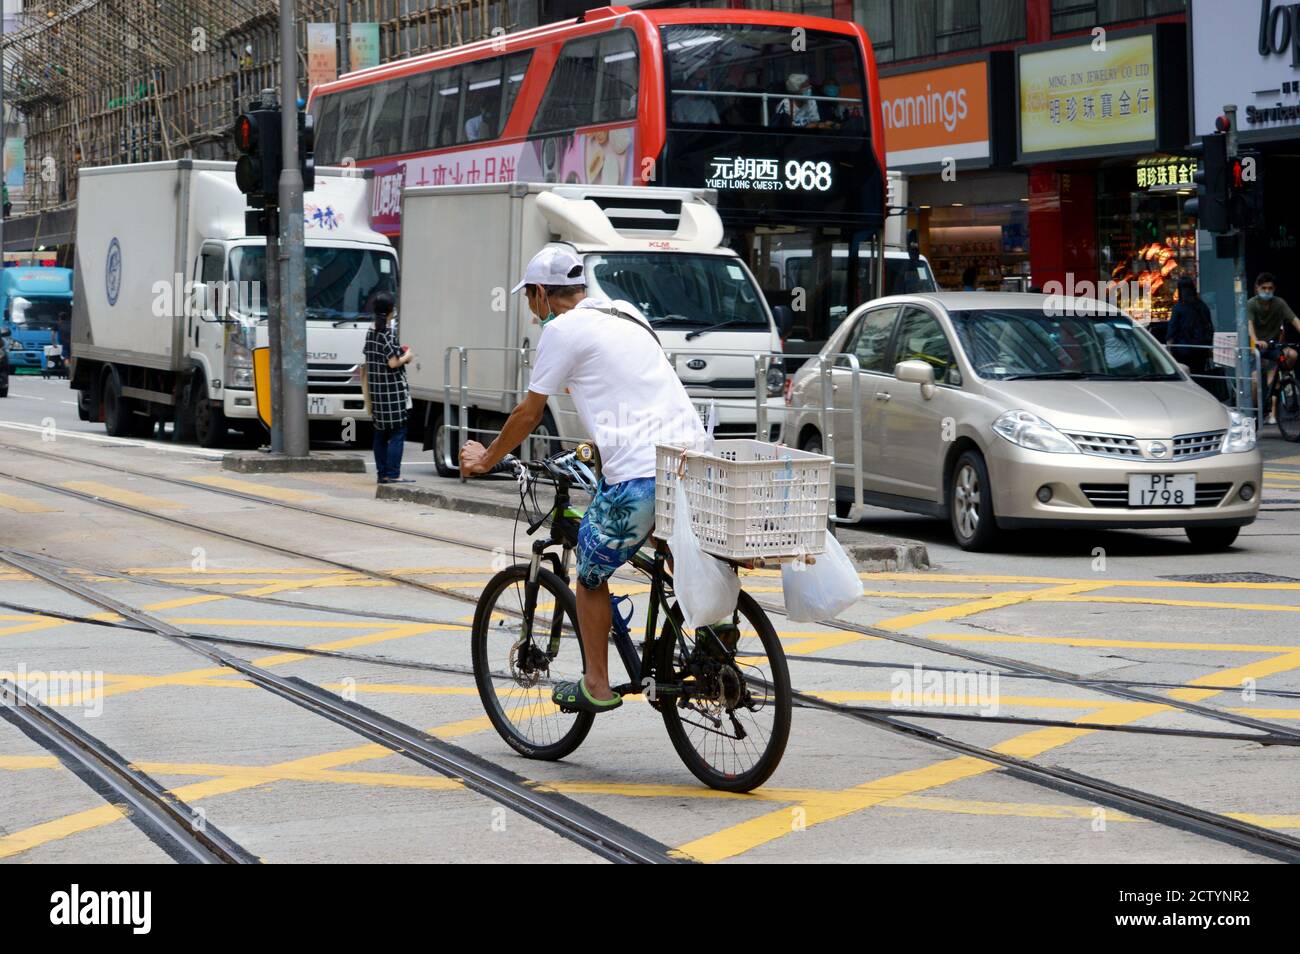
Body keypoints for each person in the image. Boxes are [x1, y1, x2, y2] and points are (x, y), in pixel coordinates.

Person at [458, 246, 706, 714]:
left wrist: (485, 459)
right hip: (692, 460)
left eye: (531, 299)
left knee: (590, 575)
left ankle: (597, 683)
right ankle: (714, 640)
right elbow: (630, 385)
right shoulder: (626, 312)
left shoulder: (561, 331)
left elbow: (528, 413)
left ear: (539, 295)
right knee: (673, 551)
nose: (533, 311)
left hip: (638, 474)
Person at [361, 292, 413, 484]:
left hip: (377, 392)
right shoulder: (387, 333)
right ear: (390, 311)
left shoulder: (371, 331)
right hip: (393, 392)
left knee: (380, 434)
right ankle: (393, 474)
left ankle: (382, 473)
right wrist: (407, 356)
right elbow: (393, 363)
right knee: (398, 433)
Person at [1247, 272, 1300, 424]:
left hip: (1272, 346)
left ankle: (1273, 413)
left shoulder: (1279, 303)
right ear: (1257, 288)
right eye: (1264, 288)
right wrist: (1256, 341)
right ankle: (1256, 412)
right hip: (1256, 347)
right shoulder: (1252, 303)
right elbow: (1250, 326)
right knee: (1255, 381)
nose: (1267, 291)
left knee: (1293, 355)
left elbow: (1295, 320)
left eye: (1270, 288)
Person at [1167, 277, 1215, 380]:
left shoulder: (1178, 307)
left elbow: (1172, 330)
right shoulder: (1202, 306)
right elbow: (1209, 327)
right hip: (1201, 350)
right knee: (1200, 377)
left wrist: (1169, 349)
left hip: (1183, 350)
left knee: (1185, 378)